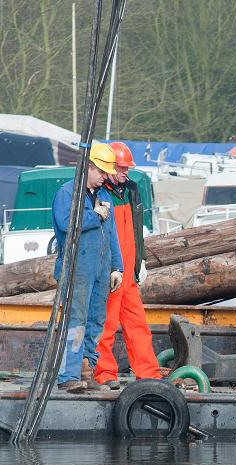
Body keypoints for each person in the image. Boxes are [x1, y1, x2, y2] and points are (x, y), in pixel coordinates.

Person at [52, 143, 124, 393]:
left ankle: (86, 369)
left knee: (95, 321)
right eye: (102, 172)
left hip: (100, 269)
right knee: (76, 320)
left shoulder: (104, 196)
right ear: (89, 167)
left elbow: (112, 233)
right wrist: (95, 216)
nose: (106, 176)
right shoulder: (67, 192)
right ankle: (68, 375)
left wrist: (118, 267)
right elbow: (66, 223)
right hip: (77, 268)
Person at [93, 142, 163, 389]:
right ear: (110, 167)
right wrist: (110, 268)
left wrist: (141, 259)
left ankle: (148, 373)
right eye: (122, 168)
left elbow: (137, 231)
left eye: (126, 168)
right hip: (112, 272)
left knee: (138, 325)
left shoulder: (132, 189)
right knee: (107, 324)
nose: (126, 172)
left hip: (129, 272)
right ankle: (104, 374)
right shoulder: (100, 193)